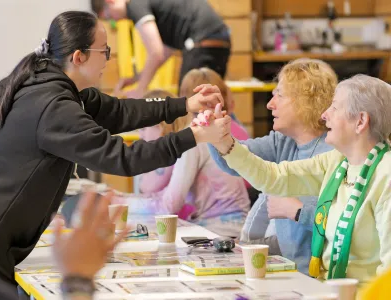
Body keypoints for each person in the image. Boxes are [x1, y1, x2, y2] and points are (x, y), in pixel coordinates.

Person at [0, 10, 228, 295]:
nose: (108, 58)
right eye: (104, 51)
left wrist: (183, 105)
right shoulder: (54, 107)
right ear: (78, 57)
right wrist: (193, 135)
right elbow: (123, 159)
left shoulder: (57, 87)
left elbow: (119, 110)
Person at [196, 74, 391, 283]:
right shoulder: (337, 162)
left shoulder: (385, 175)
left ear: (360, 121)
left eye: (334, 107)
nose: (324, 115)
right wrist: (223, 141)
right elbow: (273, 177)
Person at [208, 58, 337, 274]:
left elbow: (342, 222)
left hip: (319, 280)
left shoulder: (333, 152)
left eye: (279, 95)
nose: (270, 104)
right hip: (290, 274)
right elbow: (234, 164)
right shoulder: (282, 141)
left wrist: (296, 211)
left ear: (305, 100)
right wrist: (216, 135)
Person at [115, 89, 250, 237]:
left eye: (142, 128)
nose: (140, 135)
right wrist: (121, 198)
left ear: (161, 125)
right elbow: (159, 196)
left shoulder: (191, 141)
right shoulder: (187, 137)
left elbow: (168, 206)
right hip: (220, 225)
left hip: (225, 231)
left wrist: (118, 201)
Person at [91, 0, 231, 98]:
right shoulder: (155, 7)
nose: (115, 20)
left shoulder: (134, 5)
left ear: (110, 1)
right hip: (218, 39)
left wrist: (140, 90)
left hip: (202, 41)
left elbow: (155, 52)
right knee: (210, 100)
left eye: (109, 16)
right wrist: (137, 78)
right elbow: (165, 52)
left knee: (190, 103)